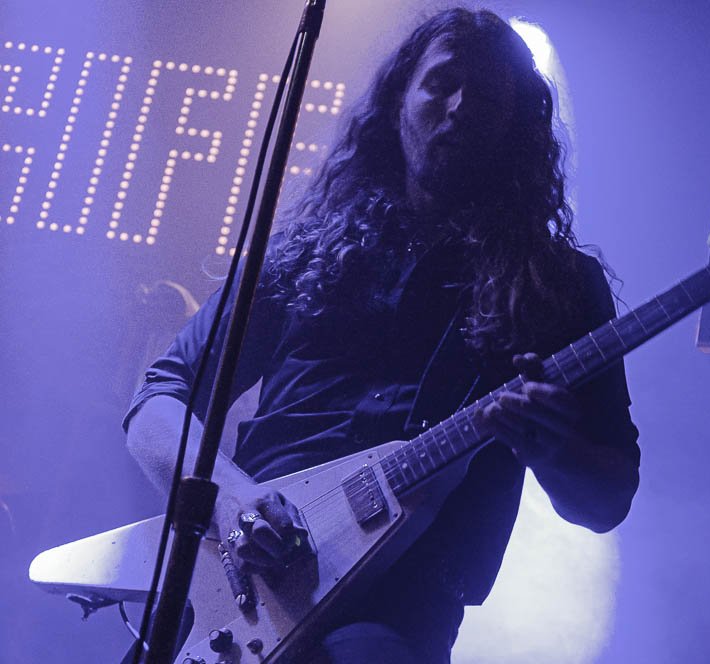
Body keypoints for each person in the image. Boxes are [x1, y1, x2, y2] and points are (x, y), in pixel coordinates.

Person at [125, 8, 640, 663]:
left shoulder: (558, 285)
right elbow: (160, 399)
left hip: (404, 602)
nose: (459, 107)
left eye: (486, 97)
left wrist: (555, 447)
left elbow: (607, 501)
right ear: (399, 99)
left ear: (514, 127)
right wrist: (233, 500)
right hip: (247, 581)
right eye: (441, 83)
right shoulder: (305, 250)